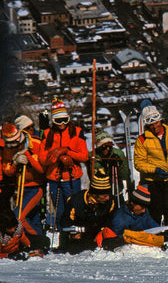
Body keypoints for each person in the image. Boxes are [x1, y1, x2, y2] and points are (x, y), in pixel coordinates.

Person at [134, 105, 168, 242]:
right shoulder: (142, 140)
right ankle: (154, 238)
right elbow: (138, 163)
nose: (154, 126)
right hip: (153, 182)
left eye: (156, 122)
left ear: (160, 120)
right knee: (155, 212)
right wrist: (155, 170)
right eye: (151, 124)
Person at [39, 98, 89, 229]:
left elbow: (84, 156)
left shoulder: (77, 132)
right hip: (54, 178)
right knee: (60, 211)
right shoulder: (47, 133)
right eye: (58, 120)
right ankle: (63, 237)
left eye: (64, 120)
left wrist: (67, 152)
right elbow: (42, 158)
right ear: (53, 121)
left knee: (73, 209)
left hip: (72, 178)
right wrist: (56, 156)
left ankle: (75, 237)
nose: (62, 124)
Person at [8, 119, 48, 243]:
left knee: (19, 216)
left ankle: (38, 241)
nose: (31, 130)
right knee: (31, 218)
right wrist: (15, 162)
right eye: (27, 128)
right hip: (21, 187)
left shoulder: (36, 143)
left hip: (35, 187)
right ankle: (34, 243)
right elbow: (9, 170)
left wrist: (29, 157)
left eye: (32, 127)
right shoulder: (14, 144)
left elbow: (41, 169)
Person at [59, 170, 115, 254]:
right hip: (78, 235)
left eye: (108, 195)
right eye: (104, 196)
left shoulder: (110, 202)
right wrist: (72, 234)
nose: (107, 198)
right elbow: (65, 222)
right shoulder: (76, 201)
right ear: (95, 194)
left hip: (97, 233)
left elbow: (111, 221)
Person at [100, 184, 160, 250]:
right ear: (132, 203)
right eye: (142, 207)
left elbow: (152, 225)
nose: (144, 211)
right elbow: (116, 240)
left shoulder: (143, 212)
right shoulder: (120, 218)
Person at [88, 128, 132, 207]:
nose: (108, 149)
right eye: (104, 147)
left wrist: (119, 165)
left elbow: (125, 175)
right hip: (101, 194)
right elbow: (95, 175)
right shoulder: (93, 156)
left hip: (116, 191)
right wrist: (106, 165)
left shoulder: (118, 154)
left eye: (110, 145)